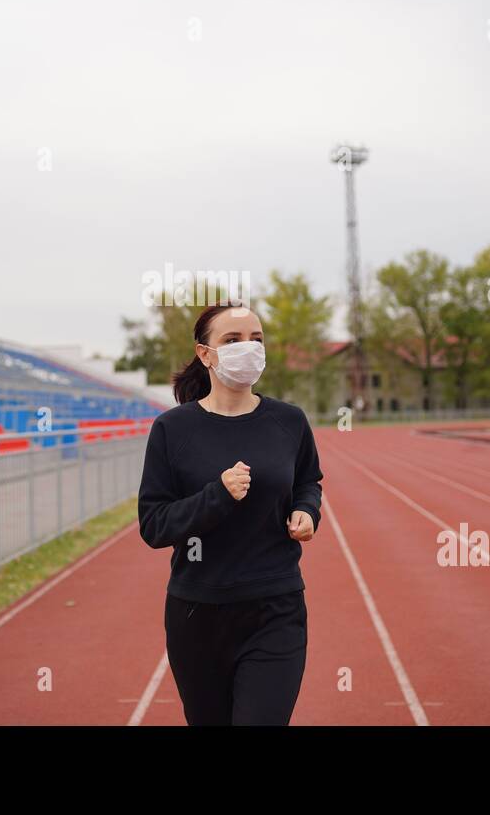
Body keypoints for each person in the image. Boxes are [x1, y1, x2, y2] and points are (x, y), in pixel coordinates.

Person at [137, 299, 324, 725]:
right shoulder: (172, 429)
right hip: (198, 614)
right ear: (206, 354)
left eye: (256, 340)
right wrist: (217, 496)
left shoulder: (289, 421)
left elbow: (308, 482)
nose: (249, 348)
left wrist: (306, 511)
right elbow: (154, 525)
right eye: (233, 340)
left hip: (276, 608)